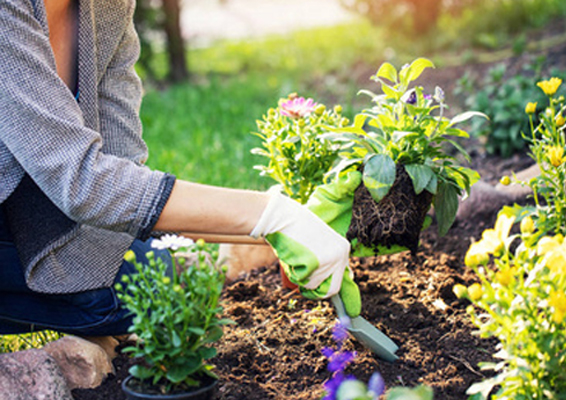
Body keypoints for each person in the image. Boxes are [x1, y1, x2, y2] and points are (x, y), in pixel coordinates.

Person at [0, 0, 351, 337]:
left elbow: (122, 169)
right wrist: (269, 214)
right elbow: (81, 182)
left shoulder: (108, 8)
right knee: (128, 296)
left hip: (35, 213)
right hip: (19, 210)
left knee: (156, 279)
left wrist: (288, 227)